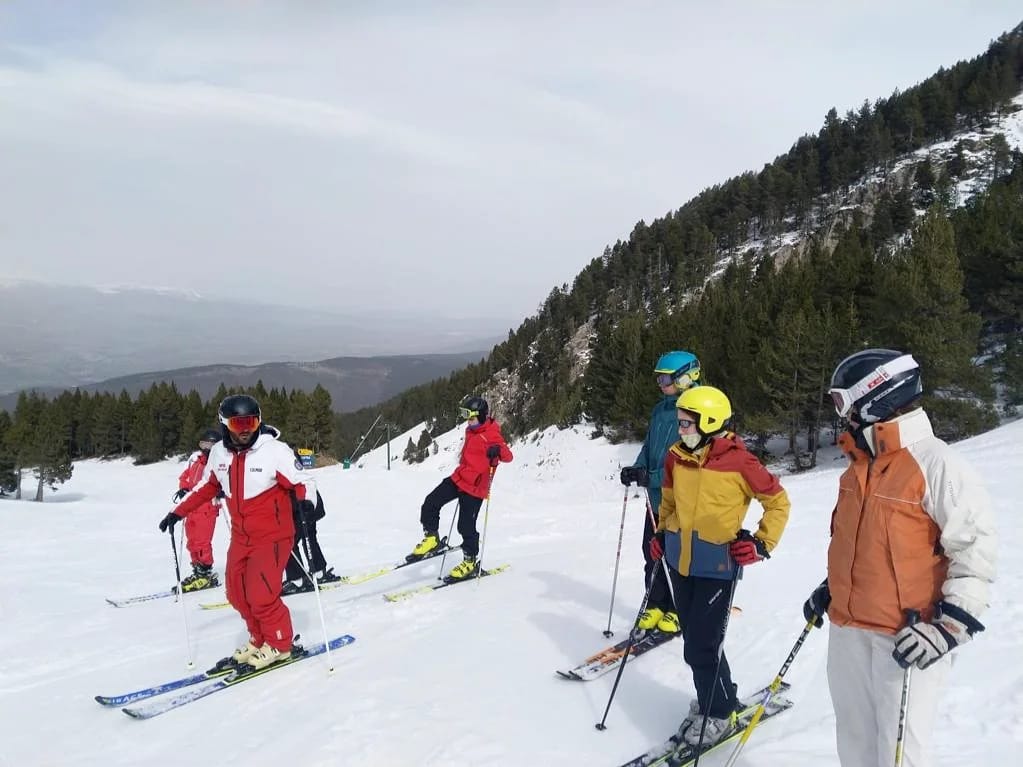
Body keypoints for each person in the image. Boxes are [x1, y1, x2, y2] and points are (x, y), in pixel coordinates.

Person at [802, 349, 996, 767]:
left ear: (877, 397)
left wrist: (948, 628)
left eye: (844, 402)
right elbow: (860, 546)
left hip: (907, 638)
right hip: (849, 631)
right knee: (855, 745)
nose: (842, 415)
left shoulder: (937, 465)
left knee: (899, 754)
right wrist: (833, 588)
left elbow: (975, 552)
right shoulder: (857, 466)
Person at [654, 385, 791, 747]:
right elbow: (668, 502)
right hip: (680, 563)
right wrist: (661, 533)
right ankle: (717, 697)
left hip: (717, 567)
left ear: (710, 421)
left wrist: (761, 543)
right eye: (680, 422)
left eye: (686, 423)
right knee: (699, 640)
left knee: (701, 644)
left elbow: (778, 503)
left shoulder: (739, 462)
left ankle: (718, 713)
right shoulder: (676, 457)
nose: (681, 429)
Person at [159, 395, 317, 670]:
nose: (245, 430)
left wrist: (305, 503)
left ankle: (280, 644)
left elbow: (303, 481)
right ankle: (259, 638)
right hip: (242, 537)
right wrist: (177, 512)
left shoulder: (274, 451)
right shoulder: (219, 453)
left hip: (273, 535)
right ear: (224, 424)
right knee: (236, 593)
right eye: (237, 424)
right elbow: (207, 486)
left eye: (251, 423)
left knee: (262, 595)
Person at [620, 350, 702, 634]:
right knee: (651, 551)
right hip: (656, 500)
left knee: (677, 556)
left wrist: (652, 477)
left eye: (665, 378)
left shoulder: (696, 411)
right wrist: (637, 468)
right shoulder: (660, 410)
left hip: (681, 500)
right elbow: (649, 446)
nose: (660, 383)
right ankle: (656, 603)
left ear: (686, 377)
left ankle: (679, 608)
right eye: (658, 379)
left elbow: (688, 462)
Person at [407, 395, 513, 580]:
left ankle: (470, 561)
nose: (468, 421)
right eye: (466, 417)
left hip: (475, 488)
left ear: (481, 416)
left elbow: (508, 457)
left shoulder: (491, 435)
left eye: (472, 418)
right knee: (431, 503)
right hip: (460, 478)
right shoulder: (471, 430)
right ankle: (432, 538)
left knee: (465, 526)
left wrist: (498, 450)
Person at [171, 427, 223, 592]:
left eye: (210, 446)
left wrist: (221, 490)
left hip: (207, 507)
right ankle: (198, 570)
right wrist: (184, 488)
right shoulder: (196, 461)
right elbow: (185, 477)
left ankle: (205, 572)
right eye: (203, 445)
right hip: (191, 506)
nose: (206, 449)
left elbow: (225, 479)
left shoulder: (218, 462)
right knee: (192, 541)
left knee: (201, 542)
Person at [282, 483, 341, 595]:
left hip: (300, 504)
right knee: (308, 536)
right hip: (308, 502)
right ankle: (318, 571)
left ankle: (298, 580)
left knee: (288, 541)